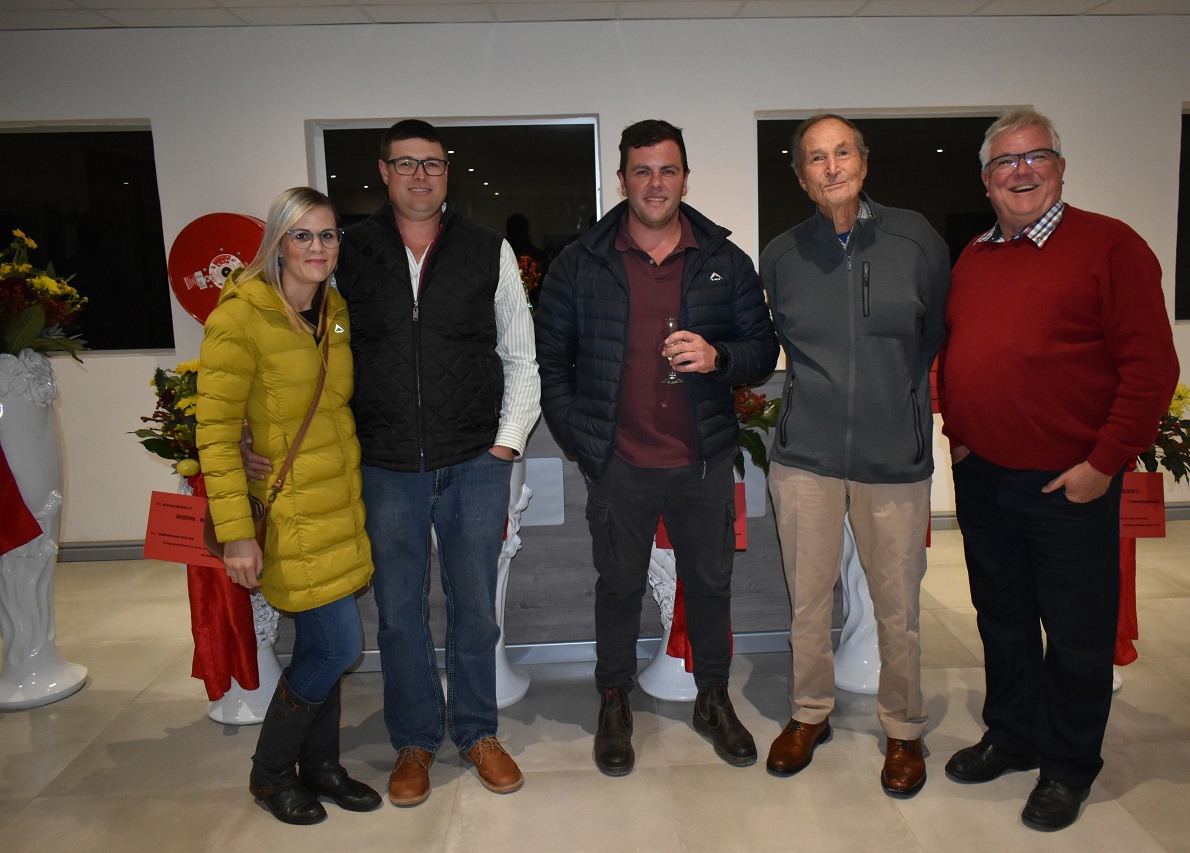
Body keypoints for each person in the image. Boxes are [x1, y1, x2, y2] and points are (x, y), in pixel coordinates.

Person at [242, 120, 540, 805]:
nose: (419, 175)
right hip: (383, 467)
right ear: (383, 171)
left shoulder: (486, 249)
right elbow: (294, 346)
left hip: (475, 463)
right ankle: (414, 740)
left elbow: (521, 356)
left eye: (431, 163)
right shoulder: (349, 252)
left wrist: (504, 445)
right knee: (400, 613)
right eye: (405, 163)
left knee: (476, 609)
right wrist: (252, 430)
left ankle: (478, 732)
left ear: (447, 171)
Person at [938, 109, 1178, 831]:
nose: (1021, 172)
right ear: (986, 180)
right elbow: (958, 350)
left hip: (1068, 485)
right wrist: (958, 434)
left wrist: (1103, 464)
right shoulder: (975, 255)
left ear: (1061, 167)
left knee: (1076, 635)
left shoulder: (1111, 246)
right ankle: (1012, 736)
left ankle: (1069, 765)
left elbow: (1151, 369)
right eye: (1005, 162)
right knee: (1002, 621)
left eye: (1035, 156)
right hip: (985, 479)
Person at [535, 119, 779, 776]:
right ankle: (614, 702)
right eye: (641, 171)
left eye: (667, 170)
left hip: (701, 459)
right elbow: (551, 361)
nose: (655, 183)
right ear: (622, 179)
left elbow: (761, 350)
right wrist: (583, 441)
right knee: (617, 587)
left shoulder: (723, 260)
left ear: (685, 179)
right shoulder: (580, 263)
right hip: (619, 464)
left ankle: (713, 699)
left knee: (711, 585)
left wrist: (719, 356)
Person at [758, 115, 950, 796]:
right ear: (801, 175)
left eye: (842, 152)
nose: (832, 166)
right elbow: (776, 340)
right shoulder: (782, 255)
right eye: (816, 158)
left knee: (897, 605)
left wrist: (899, 406)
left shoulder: (915, 239)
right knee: (808, 601)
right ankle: (809, 713)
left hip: (893, 457)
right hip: (805, 456)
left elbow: (936, 333)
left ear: (864, 162)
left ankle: (903, 727)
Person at [198, 186, 380, 825]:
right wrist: (236, 532)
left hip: (338, 505)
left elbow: (331, 407)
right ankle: (270, 772)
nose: (317, 247)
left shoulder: (334, 311)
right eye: (302, 235)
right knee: (336, 646)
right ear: (277, 243)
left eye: (327, 235)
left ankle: (321, 767)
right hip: (289, 514)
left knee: (319, 647)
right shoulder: (240, 316)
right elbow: (215, 432)